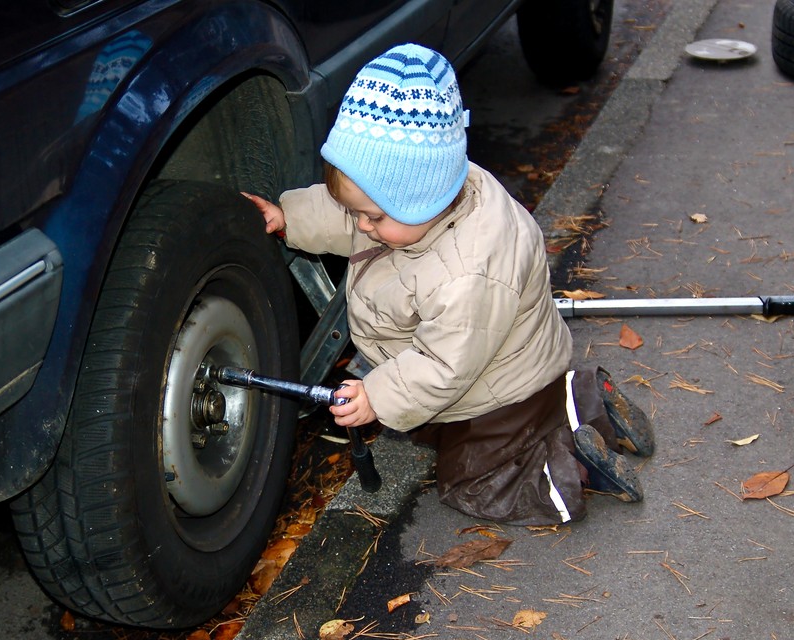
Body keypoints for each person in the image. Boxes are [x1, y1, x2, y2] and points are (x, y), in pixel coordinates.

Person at [244, 43, 654, 526]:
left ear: (422, 198)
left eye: (372, 216)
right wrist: (287, 215)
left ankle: (570, 471)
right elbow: (346, 215)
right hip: (495, 369)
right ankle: (587, 401)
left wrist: (379, 395)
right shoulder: (430, 193)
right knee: (424, 423)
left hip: (495, 398)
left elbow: (443, 364)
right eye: (356, 211)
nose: (362, 225)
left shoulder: (468, 271)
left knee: (471, 482)